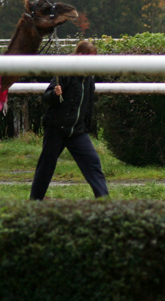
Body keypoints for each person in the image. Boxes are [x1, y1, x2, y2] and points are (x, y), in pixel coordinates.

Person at [30, 40, 109, 200]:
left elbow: (87, 103)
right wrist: (55, 94)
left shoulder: (89, 77)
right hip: (56, 130)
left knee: (93, 164)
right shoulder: (64, 72)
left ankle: (104, 201)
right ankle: (34, 202)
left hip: (77, 132)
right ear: (80, 56)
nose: (94, 61)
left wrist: (87, 126)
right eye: (91, 57)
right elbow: (47, 97)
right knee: (46, 168)